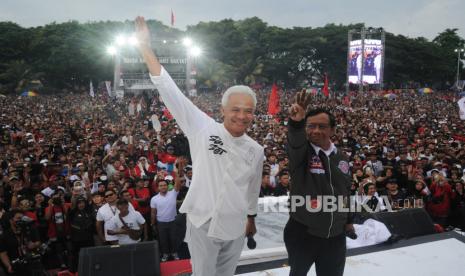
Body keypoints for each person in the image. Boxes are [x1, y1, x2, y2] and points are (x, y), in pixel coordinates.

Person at [135, 16, 264, 276]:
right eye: (235, 110)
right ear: (223, 110)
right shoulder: (202, 127)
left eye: (248, 111)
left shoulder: (256, 149)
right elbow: (169, 90)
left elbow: (252, 188)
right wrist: (145, 48)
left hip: (236, 225)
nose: (242, 116)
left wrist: (250, 218)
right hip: (202, 221)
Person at [284, 91, 352, 276]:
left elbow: (346, 191)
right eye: (311, 126)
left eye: (322, 126)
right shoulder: (301, 154)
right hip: (304, 233)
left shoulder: (342, 158)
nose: (315, 131)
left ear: (332, 130)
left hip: (335, 236)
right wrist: (297, 122)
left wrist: (348, 221)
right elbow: (295, 140)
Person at [150, 168, 182, 261]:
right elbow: (153, 213)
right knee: (163, 240)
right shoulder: (154, 199)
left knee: (173, 239)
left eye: (164, 185)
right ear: (158, 187)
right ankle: (165, 254)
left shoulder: (173, 193)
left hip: (173, 222)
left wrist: (175, 173)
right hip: (161, 223)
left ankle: (174, 252)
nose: (163, 187)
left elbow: (178, 184)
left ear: (168, 186)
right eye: (161, 185)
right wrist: (153, 224)